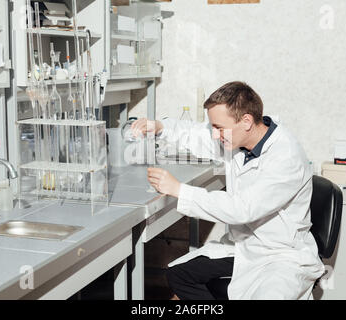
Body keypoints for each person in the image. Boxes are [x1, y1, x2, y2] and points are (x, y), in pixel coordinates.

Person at [131, 81, 324, 300]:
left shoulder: (285, 157)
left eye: (219, 128)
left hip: (281, 255)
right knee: (179, 275)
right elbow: (195, 134)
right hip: (245, 246)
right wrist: (159, 127)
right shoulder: (239, 138)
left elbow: (242, 209)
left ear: (247, 121)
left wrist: (180, 190)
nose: (215, 135)